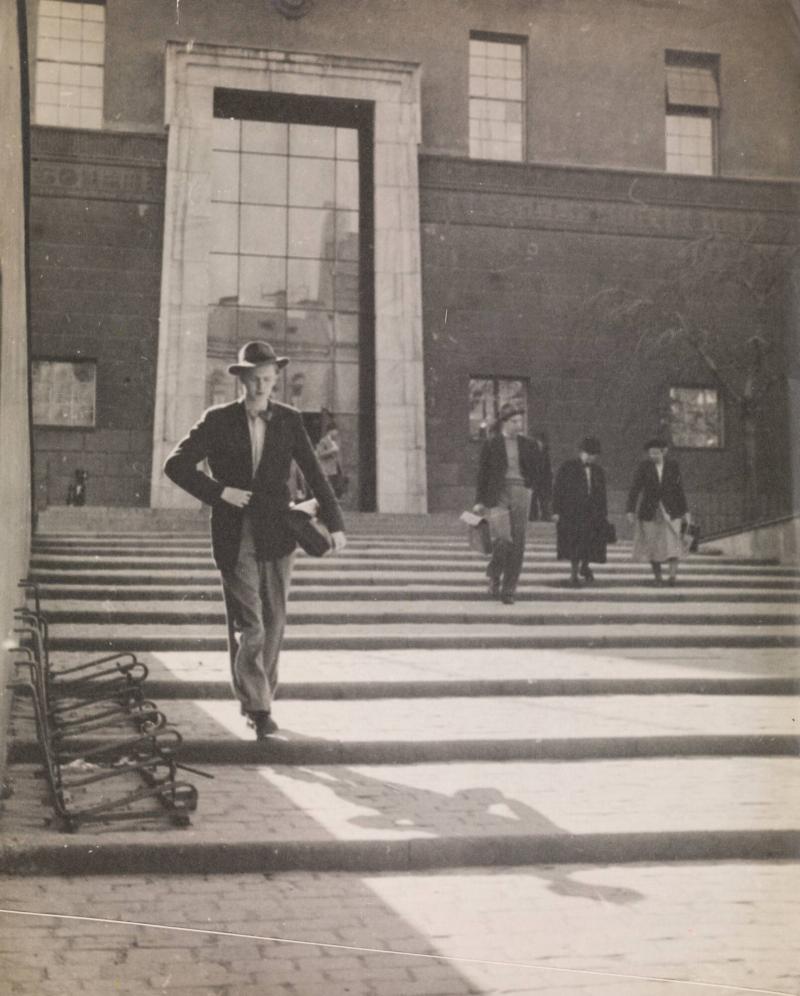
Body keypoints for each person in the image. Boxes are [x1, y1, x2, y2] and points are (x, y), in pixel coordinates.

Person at [164, 340, 346, 740]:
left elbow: (315, 474)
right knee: (251, 624)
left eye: (268, 379)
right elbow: (175, 465)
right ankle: (258, 707)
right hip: (234, 533)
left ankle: (261, 697)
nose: (263, 387)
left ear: (275, 380)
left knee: (275, 622)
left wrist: (335, 525)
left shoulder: (289, 420)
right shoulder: (217, 419)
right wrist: (218, 492)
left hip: (278, 533)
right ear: (242, 380)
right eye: (255, 379)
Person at [473, 404, 538, 604]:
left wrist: (531, 490)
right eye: (514, 421)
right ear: (504, 422)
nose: (519, 425)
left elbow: (537, 471)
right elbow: (482, 474)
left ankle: (509, 589)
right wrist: (479, 501)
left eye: (520, 421)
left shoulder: (529, 444)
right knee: (502, 538)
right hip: (498, 494)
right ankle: (494, 575)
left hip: (521, 492)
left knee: (518, 543)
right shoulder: (491, 444)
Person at [626, 438, 690, 586]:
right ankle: (658, 577)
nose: (653, 456)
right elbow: (635, 489)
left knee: (673, 544)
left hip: (672, 511)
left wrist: (685, 510)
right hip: (650, 511)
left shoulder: (673, 466)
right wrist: (630, 510)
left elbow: (679, 490)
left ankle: (672, 577)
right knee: (653, 545)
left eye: (656, 453)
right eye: (651, 453)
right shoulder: (644, 467)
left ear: (664, 452)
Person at [552, 436, 608, 586]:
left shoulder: (598, 471)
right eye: (588, 454)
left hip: (593, 512)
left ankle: (585, 566)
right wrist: (556, 511)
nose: (590, 457)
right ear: (581, 452)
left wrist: (603, 514)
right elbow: (558, 489)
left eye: (594, 455)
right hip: (572, 512)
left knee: (591, 542)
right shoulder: (568, 467)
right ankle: (573, 575)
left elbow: (602, 494)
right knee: (574, 544)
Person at [316, 423, 347, 498]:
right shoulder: (323, 441)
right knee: (330, 489)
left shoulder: (336, 441)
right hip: (329, 470)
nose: (336, 433)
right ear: (330, 431)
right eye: (335, 431)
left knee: (339, 487)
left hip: (337, 469)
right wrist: (331, 450)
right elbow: (320, 454)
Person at [530, 432, 552, 521]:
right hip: (535, 478)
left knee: (543, 498)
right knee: (534, 498)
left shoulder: (545, 452)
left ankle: (544, 515)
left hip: (543, 479)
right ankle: (533, 515)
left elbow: (547, 467)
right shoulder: (533, 451)